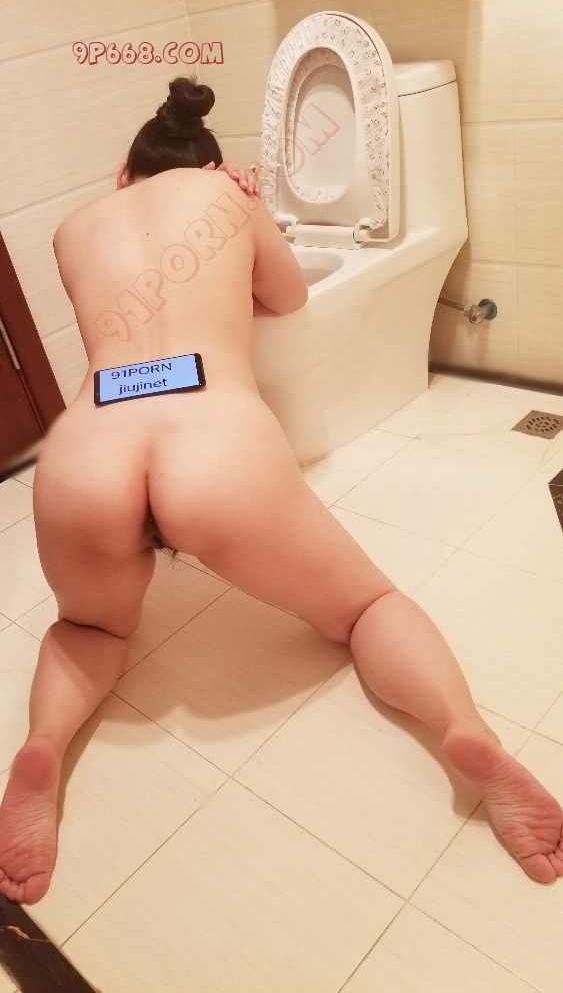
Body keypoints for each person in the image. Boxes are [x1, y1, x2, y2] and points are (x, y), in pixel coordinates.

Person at [0, 76, 561, 907]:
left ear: (123, 175)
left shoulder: (73, 226)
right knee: (365, 608)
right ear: (214, 166)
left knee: (87, 625)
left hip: (87, 451)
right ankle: (462, 733)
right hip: (214, 441)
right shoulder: (230, 198)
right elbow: (289, 296)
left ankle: (43, 749)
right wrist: (243, 214)